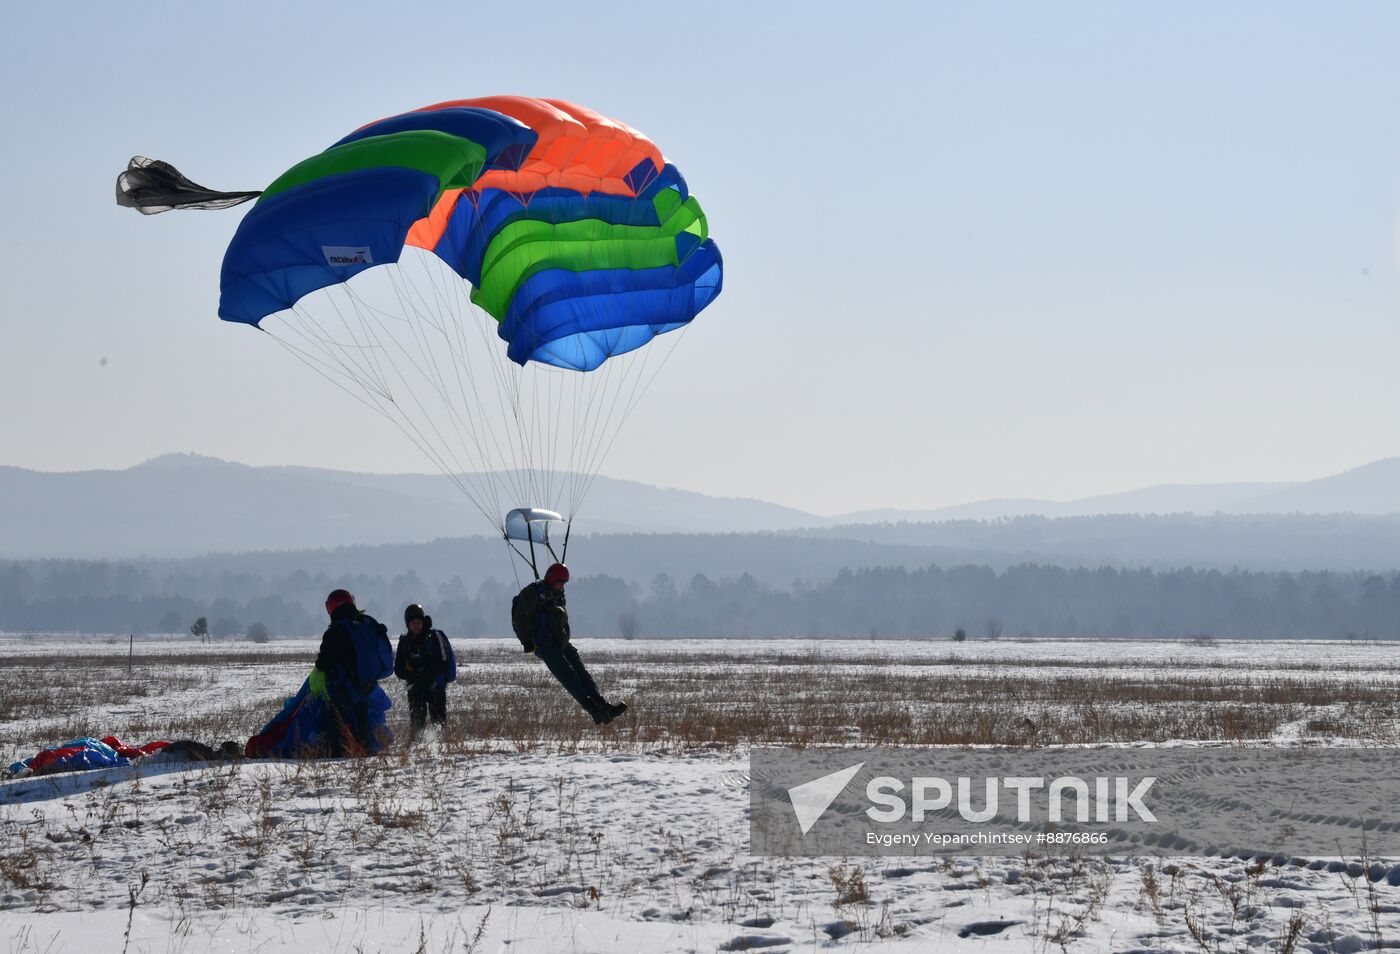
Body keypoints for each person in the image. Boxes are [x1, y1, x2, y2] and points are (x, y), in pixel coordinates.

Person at [512, 564, 628, 725]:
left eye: (564, 583)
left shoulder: (557, 593)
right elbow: (519, 618)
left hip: (559, 641)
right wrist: (527, 642)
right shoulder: (532, 593)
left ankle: (602, 705)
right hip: (543, 644)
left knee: (581, 672)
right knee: (568, 675)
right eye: (560, 582)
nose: (562, 586)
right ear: (552, 578)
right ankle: (593, 709)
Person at [312, 589, 395, 756]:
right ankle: (366, 753)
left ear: (331, 608)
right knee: (362, 722)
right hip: (367, 686)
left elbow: (324, 663)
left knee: (335, 723)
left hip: (345, 688)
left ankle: (338, 756)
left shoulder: (336, 630)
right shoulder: (363, 624)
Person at [394, 603, 457, 736]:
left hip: (435, 687)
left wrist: (427, 675)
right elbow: (398, 670)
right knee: (417, 727)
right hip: (415, 689)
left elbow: (444, 663)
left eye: (418, 622)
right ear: (408, 624)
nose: (416, 625)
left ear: (423, 622)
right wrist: (412, 675)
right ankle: (419, 748)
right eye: (413, 623)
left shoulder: (434, 638)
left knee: (439, 725)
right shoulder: (404, 642)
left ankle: (441, 747)